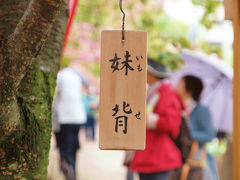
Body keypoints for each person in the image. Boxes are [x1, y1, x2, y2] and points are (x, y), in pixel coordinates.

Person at [130, 59, 182, 180]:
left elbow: (172, 124)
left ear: (150, 72)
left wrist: (151, 120)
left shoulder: (167, 92)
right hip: (148, 154)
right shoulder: (152, 91)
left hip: (158, 156)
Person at [176, 75, 219, 180]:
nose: (176, 85)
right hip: (178, 159)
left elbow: (209, 135)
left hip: (194, 159)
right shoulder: (177, 107)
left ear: (189, 89)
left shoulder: (201, 110)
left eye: (181, 83)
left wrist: (186, 134)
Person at [52, 65, 87, 180]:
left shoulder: (60, 76)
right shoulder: (77, 77)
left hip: (64, 118)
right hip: (78, 117)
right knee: (73, 147)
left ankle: (67, 167)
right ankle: (73, 169)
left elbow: (54, 94)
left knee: (64, 147)